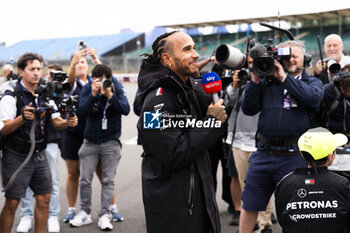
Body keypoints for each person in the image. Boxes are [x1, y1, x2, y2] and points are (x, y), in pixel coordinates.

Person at [137, 31, 227, 233]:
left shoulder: (188, 88)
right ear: (167, 58)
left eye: (194, 47)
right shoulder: (155, 102)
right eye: (187, 49)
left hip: (199, 202)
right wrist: (211, 123)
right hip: (175, 212)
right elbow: (174, 153)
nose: (195, 54)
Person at [239, 40, 324, 233]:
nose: (292, 59)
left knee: (295, 208)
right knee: (250, 204)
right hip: (263, 154)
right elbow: (248, 108)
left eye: (296, 55)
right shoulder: (267, 83)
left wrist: (284, 78)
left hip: (294, 157)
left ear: (306, 58)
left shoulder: (313, 82)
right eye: (287, 55)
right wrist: (254, 81)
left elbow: (312, 98)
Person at [0, 53, 78, 233]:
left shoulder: (45, 94)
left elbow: (56, 121)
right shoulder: (11, 95)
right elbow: (3, 129)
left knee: (44, 198)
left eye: (39, 69)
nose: (36, 73)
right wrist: (22, 118)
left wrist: (68, 122)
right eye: (32, 69)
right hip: (16, 155)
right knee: (12, 202)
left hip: (40, 154)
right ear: (21, 72)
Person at [61, 45, 123, 223]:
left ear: (88, 66)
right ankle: (73, 209)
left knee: (104, 174)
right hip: (74, 134)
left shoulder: (94, 81)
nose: (80, 65)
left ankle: (111, 207)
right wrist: (72, 64)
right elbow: (69, 83)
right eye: (77, 62)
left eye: (83, 62)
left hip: (94, 135)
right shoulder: (71, 83)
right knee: (74, 174)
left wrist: (96, 59)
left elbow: (107, 75)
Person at [69, 64, 130, 230]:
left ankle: (105, 214)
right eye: (96, 80)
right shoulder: (89, 89)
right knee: (85, 179)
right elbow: (80, 111)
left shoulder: (116, 88)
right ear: (92, 80)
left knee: (108, 180)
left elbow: (125, 109)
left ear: (109, 79)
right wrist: (93, 94)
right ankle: (85, 213)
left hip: (111, 142)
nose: (100, 83)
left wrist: (110, 95)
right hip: (90, 142)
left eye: (103, 80)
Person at [225, 55, 274, 233]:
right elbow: (228, 103)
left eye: (257, 64)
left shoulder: (269, 79)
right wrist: (235, 85)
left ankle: (264, 223)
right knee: (246, 186)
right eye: (251, 64)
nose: (254, 68)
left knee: (263, 184)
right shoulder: (242, 77)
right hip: (238, 139)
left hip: (260, 140)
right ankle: (249, 221)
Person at [16, 64, 64, 233]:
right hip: (26, 143)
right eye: (51, 74)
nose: (37, 73)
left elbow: (59, 115)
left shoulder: (53, 92)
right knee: (26, 183)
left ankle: (52, 215)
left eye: (39, 69)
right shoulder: (29, 90)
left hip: (49, 142)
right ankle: (26, 215)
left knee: (53, 182)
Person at [275, 127, 350, 233]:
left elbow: (283, 221)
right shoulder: (343, 184)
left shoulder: (285, 183)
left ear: (303, 154)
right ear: (330, 155)